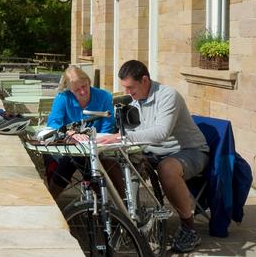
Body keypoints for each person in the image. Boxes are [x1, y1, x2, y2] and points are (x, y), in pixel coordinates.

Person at [98, 60, 209, 254]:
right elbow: (135, 133)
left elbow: (160, 133)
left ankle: (189, 228)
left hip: (188, 151)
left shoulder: (168, 96)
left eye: (131, 87)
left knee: (167, 169)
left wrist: (124, 136)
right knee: (112, 160)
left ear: (145, 80)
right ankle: (128, 214)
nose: (127, 93)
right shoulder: (134, 100)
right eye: (125, 88)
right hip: (153, 151)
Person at [45, 65, 115, 198]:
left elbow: (108, 127)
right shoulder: (63, 98)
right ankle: (100, 197)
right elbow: (53, 123)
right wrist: (69, 133)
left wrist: (95, 141)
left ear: (89, 81)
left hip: (97, 146)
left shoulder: (104, 96)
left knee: (74, 160)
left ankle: (52, 197)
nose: (82, 92)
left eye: (84, 86)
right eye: (77, 90)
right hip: (69, 146)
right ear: (70, 90)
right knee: (72, 158)